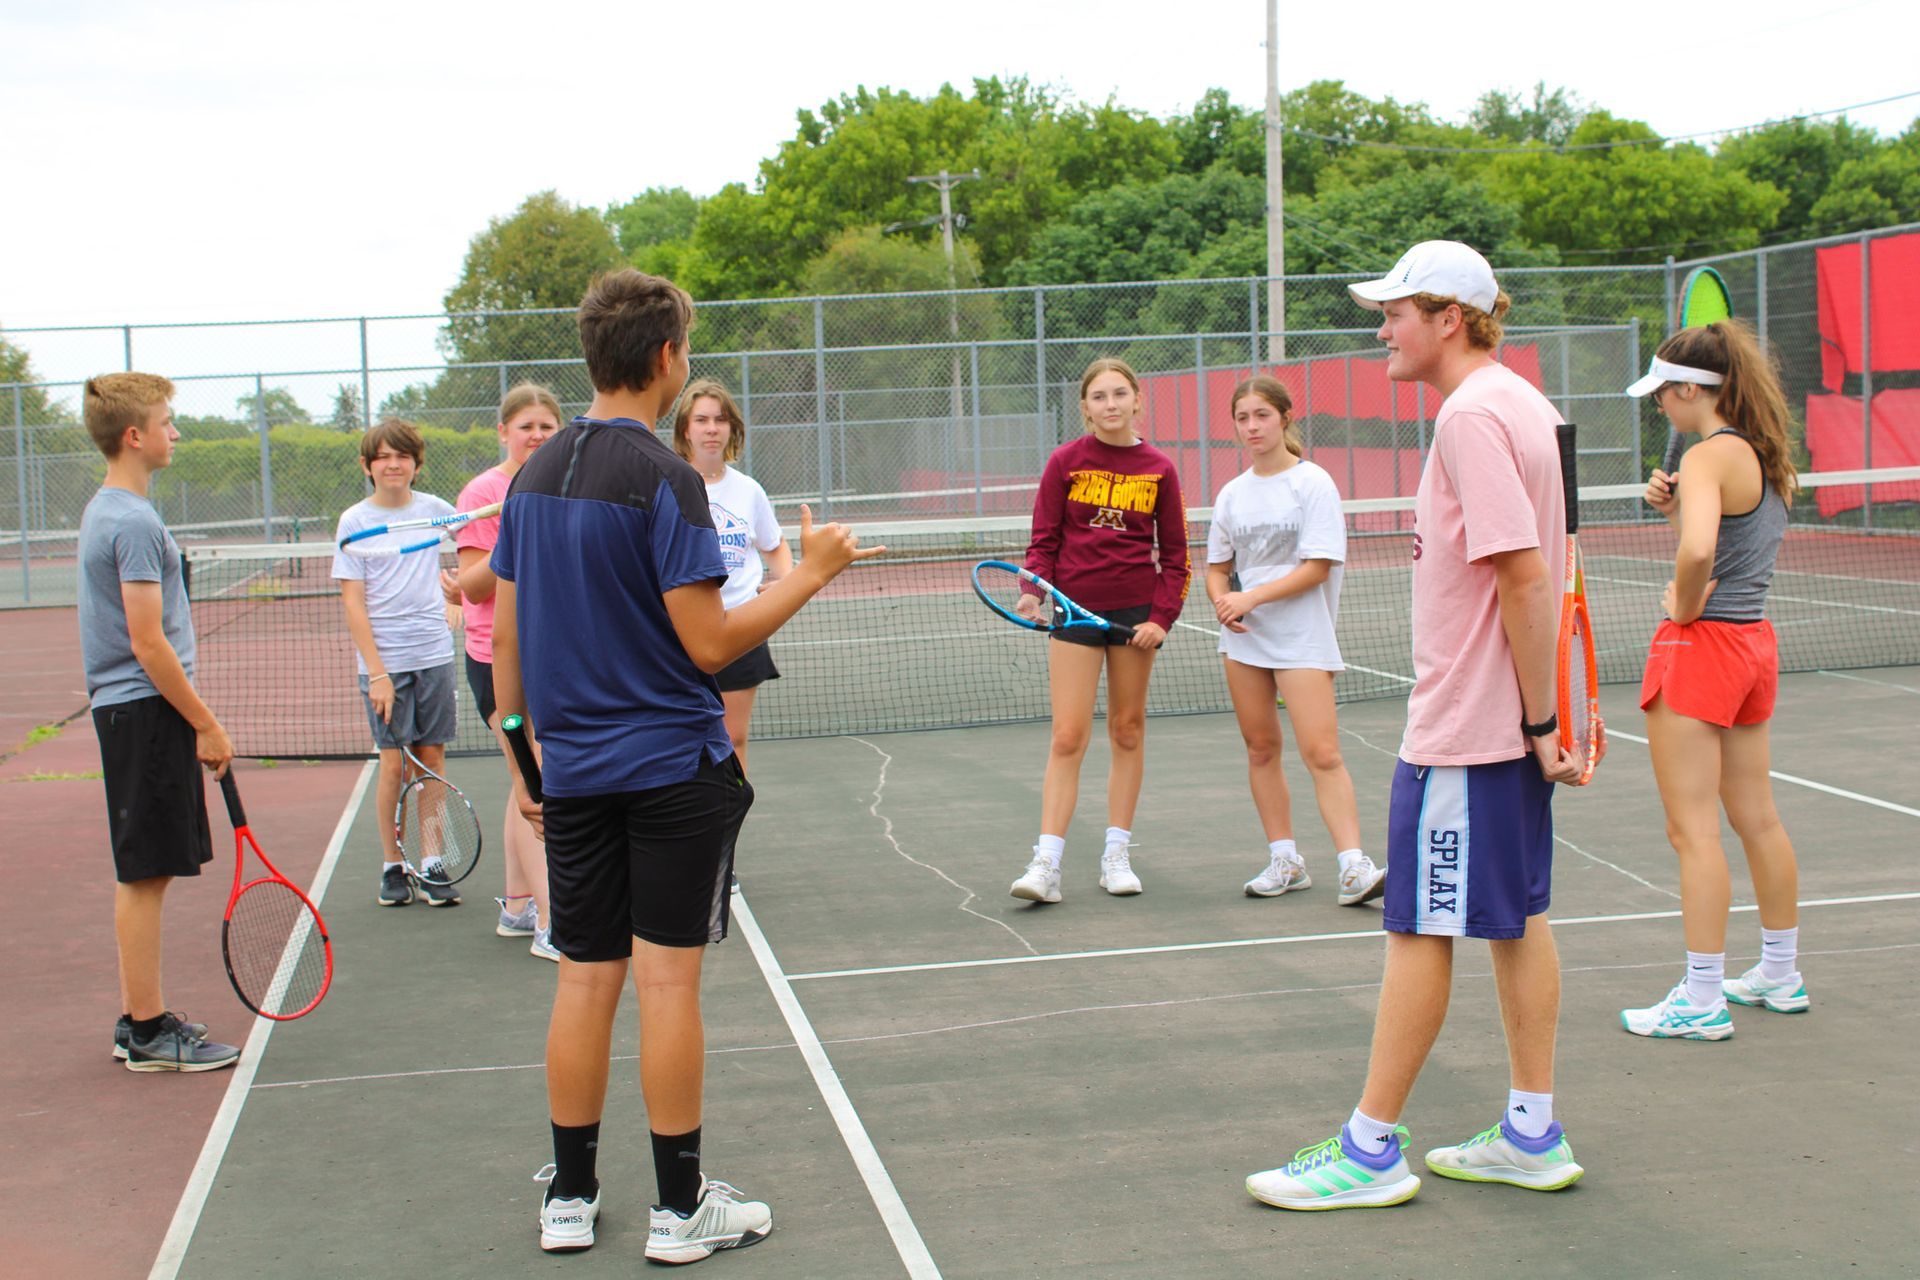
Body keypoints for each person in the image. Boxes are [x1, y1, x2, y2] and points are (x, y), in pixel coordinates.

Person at [490, 268, 880, 1265]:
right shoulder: (668, 481)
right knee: (666, 986)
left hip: (574, 770)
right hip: (670, 765)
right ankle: (679, 1209)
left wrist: (528, 760)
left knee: (584, 980)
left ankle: (570, 1199)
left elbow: (510, 647)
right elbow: (709, 642)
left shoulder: (531, 478)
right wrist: (814, 573)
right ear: (667, 358)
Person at [1246, 241, 1598, 1211]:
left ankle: (1369, 1149)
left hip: (1470, 731)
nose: (1381, 325)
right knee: (1518, 918)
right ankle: (1532, 1128)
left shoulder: (1472, 417)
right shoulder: (1523, 402)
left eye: (1397, 307)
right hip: (1501, 723)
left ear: (1451, 316)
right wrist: (1546, 714)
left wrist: (1533, 720)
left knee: (1417, 926)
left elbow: (1525, 575)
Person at [1621, 320, 1806, 1039]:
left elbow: (1702, 553)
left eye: (1663, 396)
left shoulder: (1707, 458)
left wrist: (1683, 603)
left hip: (1702, 648)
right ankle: (1781, 973)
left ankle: (1700, 998)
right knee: (1757, 817)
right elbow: (1712, 538)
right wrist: (1675, 517)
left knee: (1692, 830)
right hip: (1753, 645)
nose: (1660, 408)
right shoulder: (1764, 454)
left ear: (1689, 391)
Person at [77, 372, 241, 1072]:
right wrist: (206, 724)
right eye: (167, 421)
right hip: (144, 711)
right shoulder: (132, 521)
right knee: (145, 874)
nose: (177, 432)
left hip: (136, 712)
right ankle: (146, 1030)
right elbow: (149, 642)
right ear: (135, 436)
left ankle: (137, 1020)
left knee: (148, 872)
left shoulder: (112, 510)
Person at [1008, 357, 1189, 903]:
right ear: (1085, 407)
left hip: (1134, 618)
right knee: (1068, 736)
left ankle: (1116, 855)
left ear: (1137, 400)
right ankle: (1047, 863)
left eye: (1119, 394)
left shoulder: (1160, 468)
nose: (1110, 405)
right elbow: (1044, 542)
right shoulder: (1065, 462)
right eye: (1099, 397)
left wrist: (1160, 619)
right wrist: (1032, 591)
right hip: (1072, 611)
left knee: (1127, 731)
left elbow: (1177, 557)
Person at [1207, 376, 1385, 905]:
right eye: (1242, 418)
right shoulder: (1232, 495)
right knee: (1261, 749)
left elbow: (1317, 567)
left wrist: (1250, 597)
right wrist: (1223, 598)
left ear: (1285, 418)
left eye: (1262, 415)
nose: (1252, 426)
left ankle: (1354, 866)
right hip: (1244, 642)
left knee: (1322, 752)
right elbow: (1217, 569)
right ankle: (1285, 861)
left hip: (1302, 637)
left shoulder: (1313, 483)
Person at [331, 418, 462, 908]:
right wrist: (378, 672)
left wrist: (460, 599)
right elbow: (352, 603)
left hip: (432, 655)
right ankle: (393, 863)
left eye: (402, 456)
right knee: (392, 766)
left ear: (416, 464)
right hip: (385, 664)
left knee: (431, 761)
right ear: (368, 466)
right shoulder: (354, 521)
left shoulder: (437, 511)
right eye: (383, 456)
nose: (393, 464)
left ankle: (430, 862)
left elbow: (474, 551)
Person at [456, 383, 561, 959]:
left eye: (547, 427)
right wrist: (517, 523)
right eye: (526, 426)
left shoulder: (556, 485)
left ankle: (519, 907)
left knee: (523, 779)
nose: (537, 436)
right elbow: (471, 585)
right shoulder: (485, 492)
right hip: (499, 662)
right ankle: (552, 923)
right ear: (503, 432)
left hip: (547, 653)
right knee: (536, 782)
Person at [671, 379, 792, 770]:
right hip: (681, 633)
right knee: (681, 736)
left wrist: (785, 583)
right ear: (685, 428)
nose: (711, 428)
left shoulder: (748, 491)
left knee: (733, 737)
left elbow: (774, 545)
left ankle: (729, 818)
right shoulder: (667, 485)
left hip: (740, 627)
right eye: (702, 419)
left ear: (731, 428)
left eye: (720, 419)